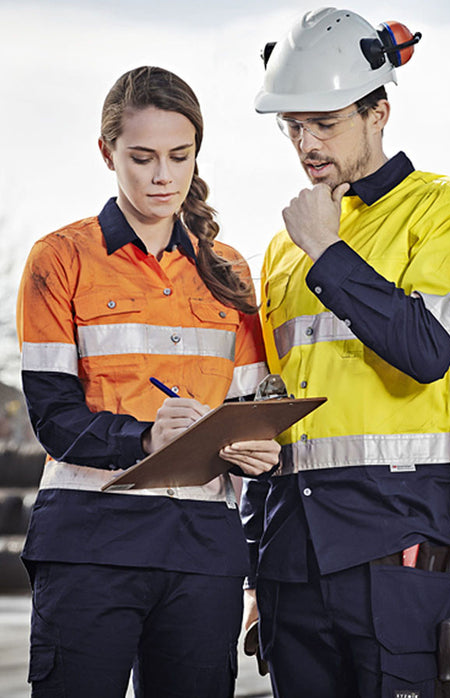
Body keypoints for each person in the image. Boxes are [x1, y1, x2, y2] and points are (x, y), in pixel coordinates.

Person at [241, 7, 450, 698]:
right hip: (290, 549)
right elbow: (271, 407)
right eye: (292, 126)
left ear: (378, 111)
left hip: (397, 537)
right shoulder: (279, 250)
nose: (305, 143)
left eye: (324, 123)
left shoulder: (446, 208)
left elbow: (425, 351)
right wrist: (253, 565)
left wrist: (327, 249)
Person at [16, 65, 280, 698]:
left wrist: (262, 453)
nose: (163, 176)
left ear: (196, 156)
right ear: (107, 153)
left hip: (202, 554)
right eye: (141, 157)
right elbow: (53, 416)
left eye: (178, 156)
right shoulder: (60, 259)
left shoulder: (229, 270)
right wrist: (144, 439)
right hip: (90, 545)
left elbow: (248, 409)